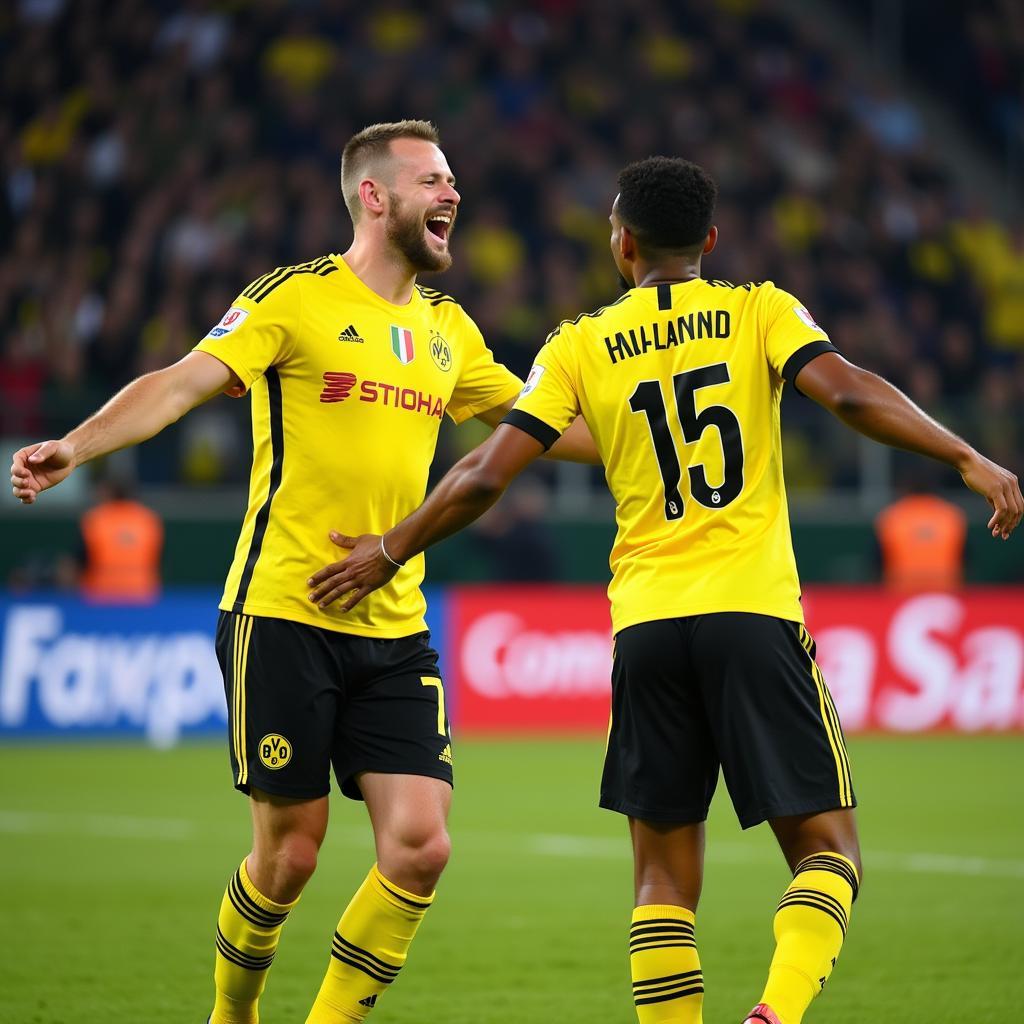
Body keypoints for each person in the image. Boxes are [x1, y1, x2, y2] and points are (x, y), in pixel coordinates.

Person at [306, 157, 1023, 1024]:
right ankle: (775, 1013)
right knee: (830, 856)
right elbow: (852, 395)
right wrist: (965, 457)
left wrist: (393, 545)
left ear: (623, 242)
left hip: (646, 629)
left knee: (660, 880)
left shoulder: (579, 342)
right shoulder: (760, 308)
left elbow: (483, 476)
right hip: (752, 614)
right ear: (710, 242)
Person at [10, 119, 597, 1024]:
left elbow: (548, 429)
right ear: (374, 196)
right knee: (289, 858)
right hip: (282, 613)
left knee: (421, 847)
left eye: (452, 181)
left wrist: (662, 436)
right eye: (432, 181)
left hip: (394, 624)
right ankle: (232, 1013)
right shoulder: (293, 299)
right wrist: (76, 446)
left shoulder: (451, 331)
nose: (453, 195)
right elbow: (178, 382)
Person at [75, 475, 164, 602]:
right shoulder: (148, 518)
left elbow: (80, 559)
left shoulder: (94, 519)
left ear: (109, 493)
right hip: (141, 594)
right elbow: (158, 557)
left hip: (101, 594)